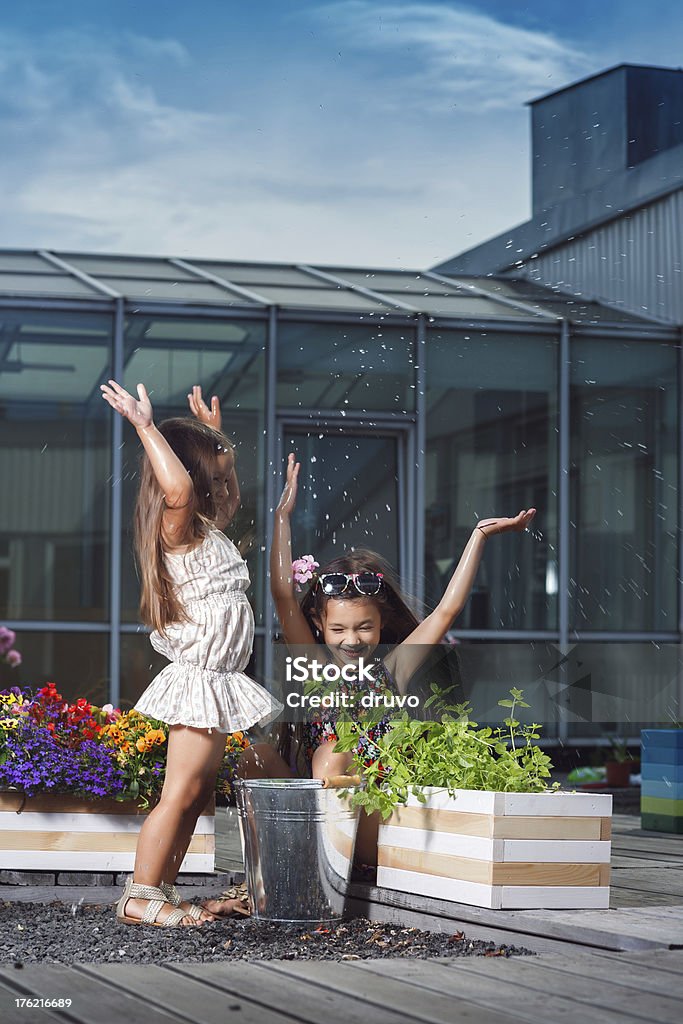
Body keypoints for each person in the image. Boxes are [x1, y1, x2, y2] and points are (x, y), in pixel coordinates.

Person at [270, 452, 535, 863]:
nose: (352, 640)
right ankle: (303, 855)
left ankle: (358, 858)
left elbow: (446, 610)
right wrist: (283, 516)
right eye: (339, 630)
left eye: (365, 628)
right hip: (326, 811)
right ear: (319, 626)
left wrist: (478, 536)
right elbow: (283, 594)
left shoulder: (392, 668)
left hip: (379, 809)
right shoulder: (315, 664)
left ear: (382, 623)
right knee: (270, 754)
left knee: (344, 753)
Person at [100, 380, 280, 927]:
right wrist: (146, 427)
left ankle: (164, 889)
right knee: (179, 791)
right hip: (201, 677)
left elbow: (222, 497)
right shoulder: (175, 525)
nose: (228, 489)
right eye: (217, 479)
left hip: (219, 677)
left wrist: (216, 437)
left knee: (198, 788)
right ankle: (139, 895)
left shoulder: (207, 530)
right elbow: (178, 488)